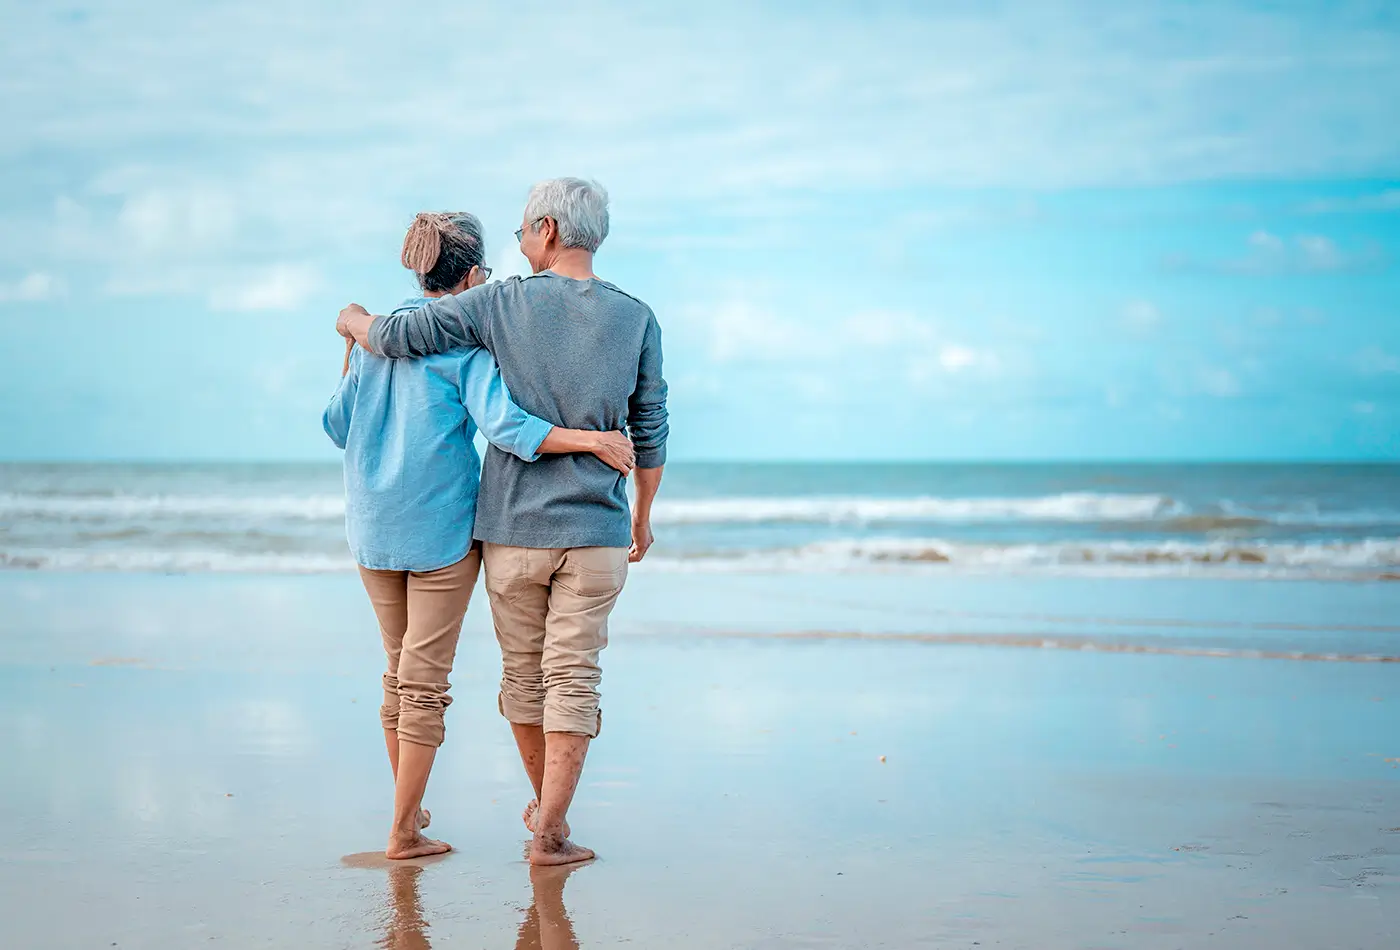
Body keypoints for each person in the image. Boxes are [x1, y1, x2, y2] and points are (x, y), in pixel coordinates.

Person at [337, 178, 668, 866]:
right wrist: (631, 496)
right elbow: (620, 427)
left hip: (447, 530)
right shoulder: (630, 317)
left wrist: (351, 326)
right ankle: (527, 826)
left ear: (547, 230)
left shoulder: (479, 311)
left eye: (522, 234)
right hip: (527, 531)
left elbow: (365, 381)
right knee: (553, 676)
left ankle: (450, 810)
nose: (518, 248)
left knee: (465, 675)